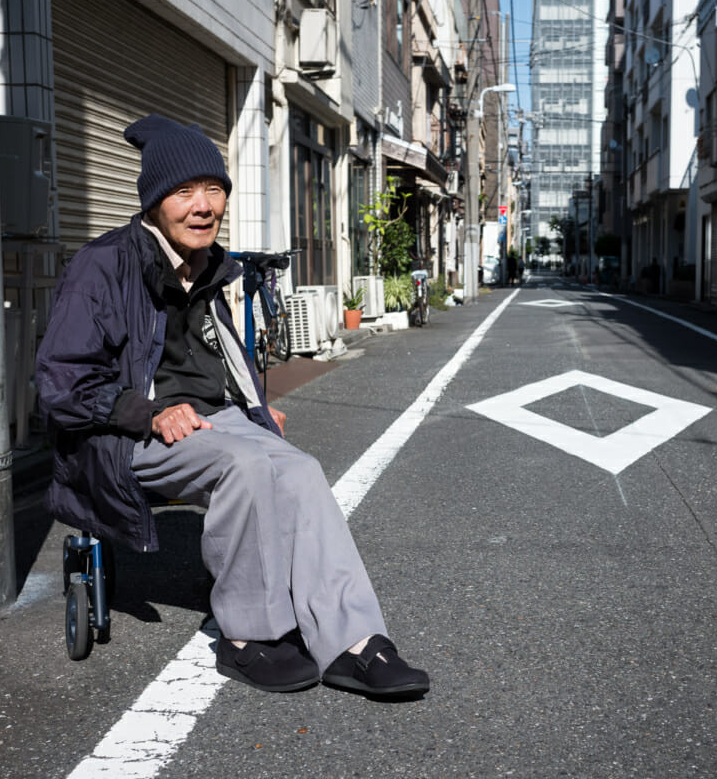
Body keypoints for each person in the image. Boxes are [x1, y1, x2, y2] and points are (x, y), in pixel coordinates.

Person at [35, 114, 429, 699]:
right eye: (184, 191)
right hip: (123, 433)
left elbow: (223, 364)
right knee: (243, 468)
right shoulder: (103, 266)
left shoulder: (212, 267)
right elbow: (59, 383)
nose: (203, 206)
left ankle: (353, 641)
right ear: (153, 200)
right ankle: (248, 637)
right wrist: (147, 414)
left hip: (207, 421)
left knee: (298, 469)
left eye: (214, 190)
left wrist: (258, 416)